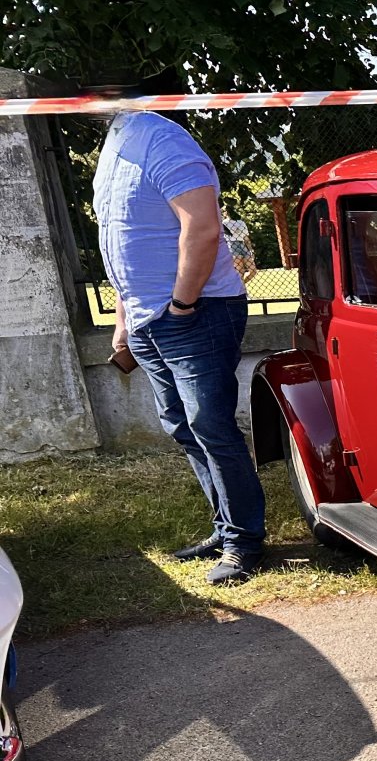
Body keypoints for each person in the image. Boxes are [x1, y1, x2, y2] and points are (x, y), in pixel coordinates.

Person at [94, 110, 266, 584]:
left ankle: (243, 543)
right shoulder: (115, 144)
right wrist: (123, 320)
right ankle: (226, 526)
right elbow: (120, 243)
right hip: (150, 319)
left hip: (195, 312)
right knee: (182, 425)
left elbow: (203, 228)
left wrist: (183, 304)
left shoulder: (163, 140)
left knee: (210, 425)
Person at [221, 214, 259, 283]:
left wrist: (250, 250)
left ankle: (241, 286)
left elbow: (246, 238)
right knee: (240, 271)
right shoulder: (224, 223)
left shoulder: (241, 222)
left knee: (253, 271)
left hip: (242, 245)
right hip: (232, 245)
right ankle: (242, 290)